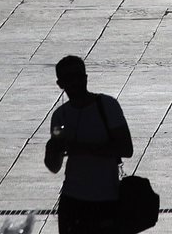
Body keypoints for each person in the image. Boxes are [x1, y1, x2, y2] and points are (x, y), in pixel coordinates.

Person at [43, 55, 134, 234]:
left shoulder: (107, 106)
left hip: (106, 199)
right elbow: (54, 167)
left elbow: (126, 149)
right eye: (69, 78)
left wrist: (80, 148)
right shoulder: (60, 116)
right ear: (60, 84)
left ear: (85, 78)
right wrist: (53, 149)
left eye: (78, 76)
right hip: (72, 200)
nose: (75, 82)